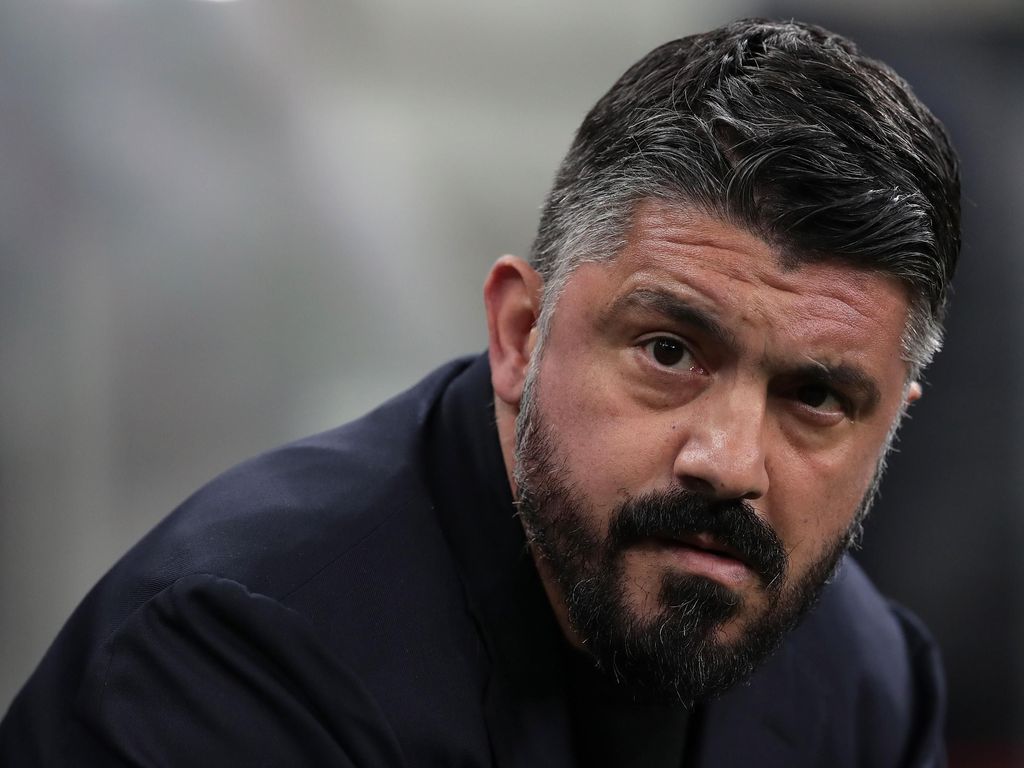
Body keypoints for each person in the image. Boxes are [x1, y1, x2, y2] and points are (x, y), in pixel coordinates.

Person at [0, 17, 959, 768]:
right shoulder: (234, 669)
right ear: (518, 335)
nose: (728, 460)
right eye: (669, 352)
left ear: (890, 428)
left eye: (818, 397)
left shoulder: (865, 685)